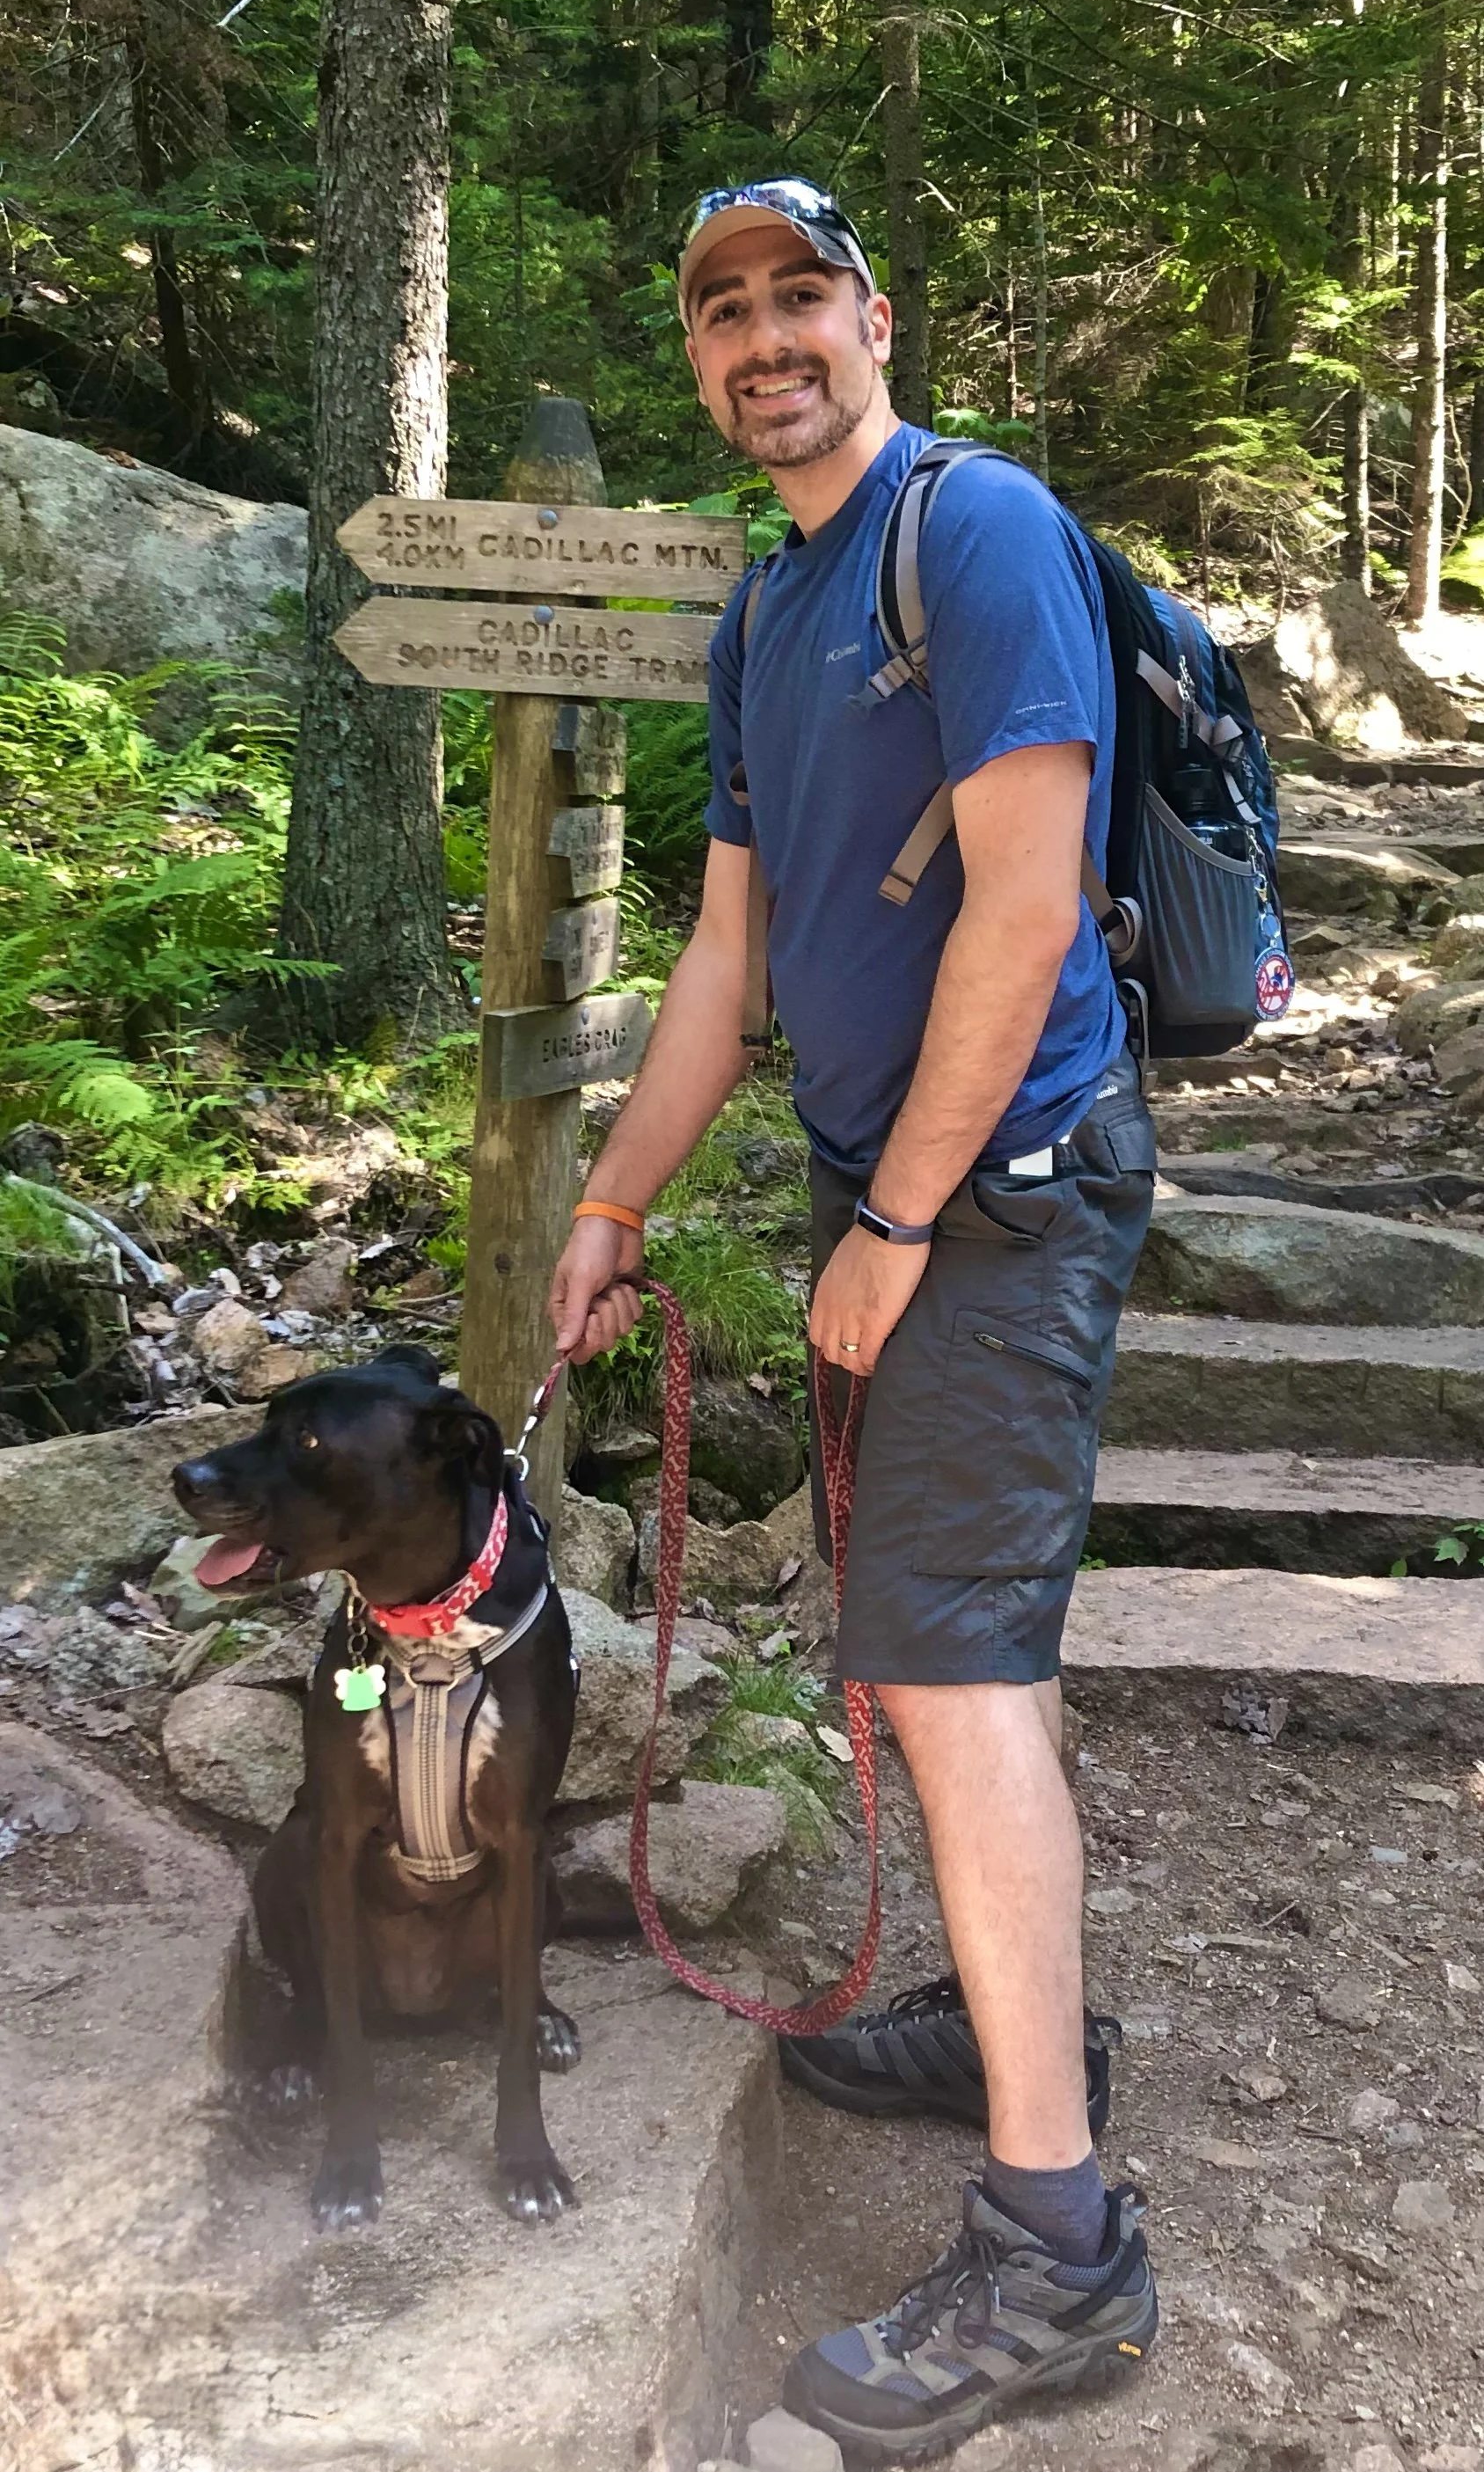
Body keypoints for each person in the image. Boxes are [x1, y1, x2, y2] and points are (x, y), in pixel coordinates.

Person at [546, 177, 1159, 2460]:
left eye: (797, 292)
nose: (762, 336)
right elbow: (727, 956)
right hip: (883, 1188)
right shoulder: (767, 602)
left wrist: (894, 1226)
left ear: (871, 317)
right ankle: (1034, 2039)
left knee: (950, 1660)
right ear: (700, 364)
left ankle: (1059, 2255)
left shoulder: (969, 533)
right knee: (931, 1644)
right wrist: (616, 1196)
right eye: (721, 310)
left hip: (996, 1186)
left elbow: (1023, 899)